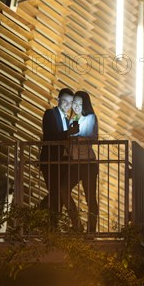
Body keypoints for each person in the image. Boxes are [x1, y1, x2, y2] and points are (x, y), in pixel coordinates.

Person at [39, 88, 79, 224]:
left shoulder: (67, 120)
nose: (68, 105)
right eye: (65, 101)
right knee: (56, 195)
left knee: (57, 195)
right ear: (58, 100)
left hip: (61, 163)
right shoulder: (50, 114)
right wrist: (68, 133)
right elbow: (50, 136)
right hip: (50, 161)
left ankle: (37, 217)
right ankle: (51, 225)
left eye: (70, 102)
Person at [63, 90, 99, 233]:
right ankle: (77, 224)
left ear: (85, 104)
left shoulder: (90, 117)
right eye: (74, 103)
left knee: (90, 196)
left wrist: (74, 137)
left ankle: (91, 230)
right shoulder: (72, 120)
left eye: (80, 103)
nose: (76, 106)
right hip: (75, 163)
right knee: (63, 189)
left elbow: (91, 136)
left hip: (88, 163)